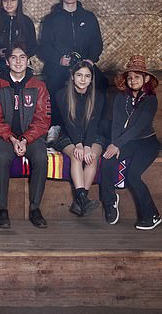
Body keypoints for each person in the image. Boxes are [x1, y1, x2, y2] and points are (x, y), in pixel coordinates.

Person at [0, 43, 51, 229]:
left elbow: (42, 120)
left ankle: (35, 209)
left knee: (40, 156)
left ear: (28, 60)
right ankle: (2, 209)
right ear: (7, 62)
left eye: (22, 57)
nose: (18, 61)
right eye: (13, 57)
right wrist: (13, 139)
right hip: (3, 137)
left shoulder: (38, 86)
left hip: (29, 137)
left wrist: (25, 139)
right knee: (3, 156)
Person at [39, 0, 104, 142]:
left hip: (84, 65)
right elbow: (43, 47)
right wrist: (59, 59)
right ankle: (55, 125)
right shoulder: (51, 19)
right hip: (60, 65)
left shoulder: (88, 18)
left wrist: (90, 59)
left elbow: (97, 43)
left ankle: (93, 126)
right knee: (54, 83)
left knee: (102, 82)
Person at [100, 55, 162, 230]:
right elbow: (117, 124)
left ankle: (153, 215)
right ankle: (110, 201)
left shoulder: (151, 100)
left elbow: (138, 127)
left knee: (133, 176)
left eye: (137, 77)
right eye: (129, 77)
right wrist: (114, 144)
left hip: (146, 143)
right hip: (126, 142)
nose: (133, 80)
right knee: (107, 159)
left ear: (146, 78)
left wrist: (118, 144)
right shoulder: (121, 98)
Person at [53, 61, 105, 217]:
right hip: (69, 135)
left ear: (91, 79)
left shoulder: (99, 96)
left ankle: (80, 202)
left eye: (87, 76)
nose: (83, 79)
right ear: (72, 76)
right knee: (77, 157)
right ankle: (82, 199)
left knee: (92, 158)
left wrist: (87, 145)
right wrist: (79, 145)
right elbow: (69, 123)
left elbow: (94, 123)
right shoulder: (62, 94)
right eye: (79, 75)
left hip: (92, 134)